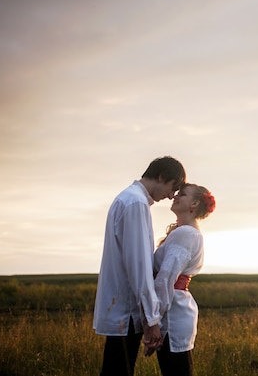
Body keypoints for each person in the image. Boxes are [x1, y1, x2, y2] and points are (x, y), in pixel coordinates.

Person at [93, 156, 186, 376]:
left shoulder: (129, 199)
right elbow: (139, 267)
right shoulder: (136, 203)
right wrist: (151, 319)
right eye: (173, 188)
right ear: (162, 177)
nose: (172, 195)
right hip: (126, 311)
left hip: (123, 309)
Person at [145, 183, 216, 376]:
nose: (175, 196)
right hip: (175, 310)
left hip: (173, 315)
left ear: (194, 203)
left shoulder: (186, 233)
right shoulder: (187, 231)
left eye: (182, 194)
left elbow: (165, 279)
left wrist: (154, 322)